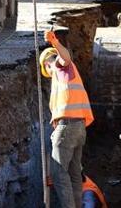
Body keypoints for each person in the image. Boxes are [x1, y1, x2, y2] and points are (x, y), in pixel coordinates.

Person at [40, 30, 94, 208]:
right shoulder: (68, 74)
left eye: (46, 70)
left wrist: (54, 42)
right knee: (73, 173)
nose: (49, 73)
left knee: (58, 173)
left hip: (68, 127)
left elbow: (65, 57)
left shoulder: (59, 66)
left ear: (47, 64)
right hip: (79, 128)